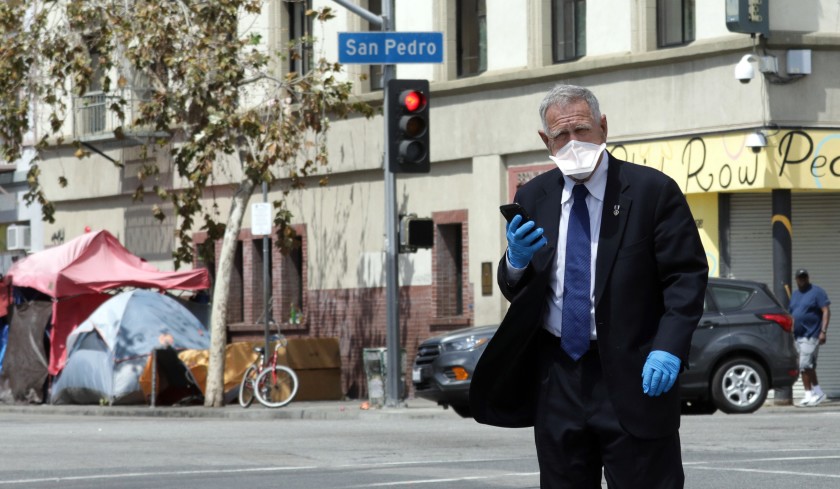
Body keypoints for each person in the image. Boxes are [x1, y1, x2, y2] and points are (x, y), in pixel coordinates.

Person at [469, 84, 708, 489]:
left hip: (635, 373)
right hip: (558, 376)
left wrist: (668, 348)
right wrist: (515, 262)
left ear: (603, 127)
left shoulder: (652, 191)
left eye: (582, 130)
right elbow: (521, 291)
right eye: (562, 135)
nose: (574, 142)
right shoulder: (534, 195)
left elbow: (685, 277)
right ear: (546, 141)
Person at [789, 268, 831, 407]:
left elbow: (825, 311)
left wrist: (823, 331)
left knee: (804, 365)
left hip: (811, 334)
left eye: (804, 277)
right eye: (800, 277)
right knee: (809, 366)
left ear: (808, 277)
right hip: (798, 336)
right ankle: (818, 392)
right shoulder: (795, 295)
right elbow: (792, 314)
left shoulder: (816, 292)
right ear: (796, 279)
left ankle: (808, 394)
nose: (802, 279)